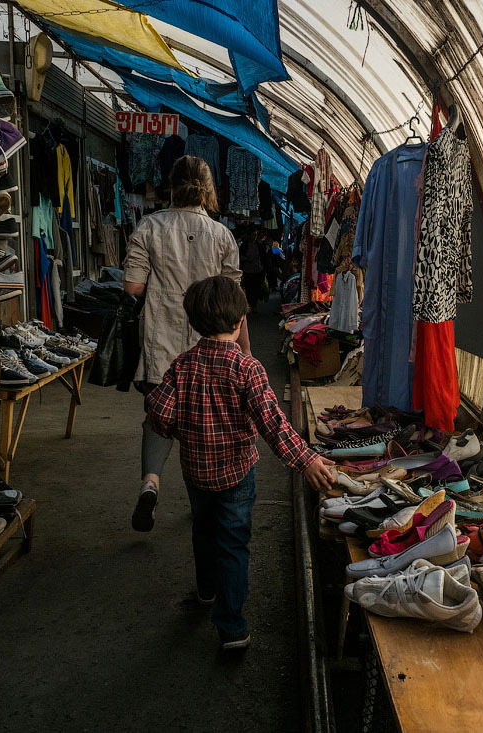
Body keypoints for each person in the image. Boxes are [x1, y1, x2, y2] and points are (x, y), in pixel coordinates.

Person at [145, 275, 335, 649]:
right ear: (239, 322)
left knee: (203, 528)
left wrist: (186, 425)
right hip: (236, 474)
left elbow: (159, 413)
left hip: (195, 472)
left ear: (194, 322)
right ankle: (231, 628)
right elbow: (273, 426)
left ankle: (206, 589)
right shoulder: (248, 369)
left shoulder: (182, 365)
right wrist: (307, 460)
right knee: (233, 543)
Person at [123, 156, 250, 528]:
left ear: (172, 186)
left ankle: (150, 482)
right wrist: (245, 351)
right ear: (207, 190)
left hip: (158, 343)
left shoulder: (149, 226)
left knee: (159, 417)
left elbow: (133, 287)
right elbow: (235, 301)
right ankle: (204, 506)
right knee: (205, 425)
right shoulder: (222, 235)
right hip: (212, 347)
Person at [238, 228, 266, 311]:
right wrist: (246, 259)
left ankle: (254, 305)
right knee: (249, 288)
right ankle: (249, 304)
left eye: (256, 235)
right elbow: (240, 256)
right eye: (253, 235)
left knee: (256, 288)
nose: (254, 236)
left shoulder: (259, 245)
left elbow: (263, 257)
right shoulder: (244, 245)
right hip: (248, 271)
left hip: (258, 270)